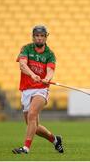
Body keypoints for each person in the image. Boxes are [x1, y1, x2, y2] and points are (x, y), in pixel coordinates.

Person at [12, 25, 64, 154]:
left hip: (41, 89)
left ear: (46, 37)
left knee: (32, 114)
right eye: (37, 36)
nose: (39, 38)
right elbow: (22, 65)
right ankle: (55, 140)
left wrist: (47, 78)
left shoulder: (50, 54)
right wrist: (32, 74)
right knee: (33, 126)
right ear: (33, 37)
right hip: (26, 89)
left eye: (42, 36)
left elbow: (50, 70)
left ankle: (25, 148)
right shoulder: (26, 48)